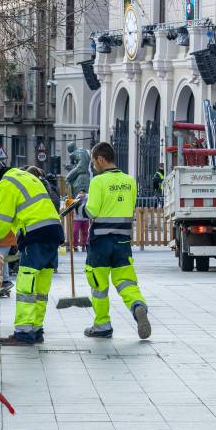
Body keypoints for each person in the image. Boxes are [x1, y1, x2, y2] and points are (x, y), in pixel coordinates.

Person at [0, 160, 63, 346]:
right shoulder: (25, 176)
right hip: (53, 232)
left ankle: (24, 334)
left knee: (25, 286)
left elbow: (1, 223)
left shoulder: (5, 184)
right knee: (41, 288)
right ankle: (37, 330)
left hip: (34, 235)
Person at [77, 142, 151, 339]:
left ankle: (102, 325)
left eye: (93, 163)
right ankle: (137, 306)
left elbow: (91, 211)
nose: (93, 167)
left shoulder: (98, 182)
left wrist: (78, 205)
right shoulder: (130, 181)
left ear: (101, 159)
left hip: (100, 242)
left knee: (99, 286)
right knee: (126, 282)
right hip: (123, 242)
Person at [66, 142, 91, 251]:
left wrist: (69, 168)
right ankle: (82, 245)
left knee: (67, 178)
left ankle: (77, 245)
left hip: (80, 171)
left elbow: (73, 165)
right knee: (84, 231)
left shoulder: (73, 154)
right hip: (86, 173)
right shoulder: (84, 151)